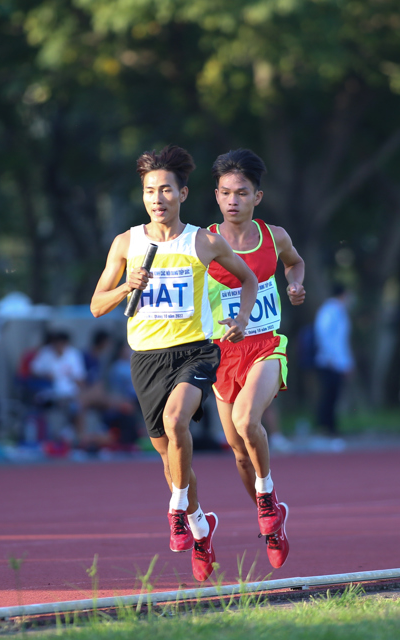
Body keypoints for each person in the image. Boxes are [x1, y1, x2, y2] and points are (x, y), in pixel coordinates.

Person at [89, 144, 257, 582]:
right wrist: (127, 286)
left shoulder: (203, 240)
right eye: (149, 190)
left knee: (178, 418)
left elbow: (248, 277)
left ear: (183, 193)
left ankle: (177, 508)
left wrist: (238, 319)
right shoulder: (126, 243)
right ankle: (201, 527)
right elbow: (95, 306)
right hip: (147, 360)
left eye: (166, 189)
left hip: (196, 351)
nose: (157, 198)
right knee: (169, 458)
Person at [206, 148, 305, 569]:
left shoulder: (274, 236)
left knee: (248, 421)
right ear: (215, 196)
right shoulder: (203, 241)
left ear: (257, 197)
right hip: (221, 353)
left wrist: (296, 284)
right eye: (226, 193)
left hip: (265, 345)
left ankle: (266, 499)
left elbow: (295, 263)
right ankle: (272, 517)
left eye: (242, 193)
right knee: (238, 450)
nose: (233, 201)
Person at [314, 284, 353, 439]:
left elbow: (342, 341)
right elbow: (323, 335)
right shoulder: (329, 310)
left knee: (334, 395)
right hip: (329, 362)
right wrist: (330, 357)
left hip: (338, 362)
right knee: (328, 395)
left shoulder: (340, 311)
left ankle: (331, 426)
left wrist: (347, 363)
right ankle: (325, 426)